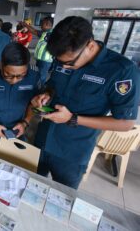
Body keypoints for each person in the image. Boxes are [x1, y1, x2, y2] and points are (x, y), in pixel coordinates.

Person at [32, 16, 140, 189]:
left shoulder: (122, 71)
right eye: (60, 62)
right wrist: (45, 94)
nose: (64, 67)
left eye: (69, 63)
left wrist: (72, 118)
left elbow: (126, 123)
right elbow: (53, 85)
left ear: (90, 46)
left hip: (72, 153)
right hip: (42, 140)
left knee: (63, 197)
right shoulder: (65, 57)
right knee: (30, 186)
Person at [23, 17, 54, 84]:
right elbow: (34, 31)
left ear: (47, 24)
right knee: (37, 74)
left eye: (42, 24)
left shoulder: (51, 34)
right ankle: (37, 87)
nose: (40, 26)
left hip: (45, 61)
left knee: (42, 76)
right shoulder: (45, 33)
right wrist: (25, 25)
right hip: (40, 59)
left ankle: (41, 89)